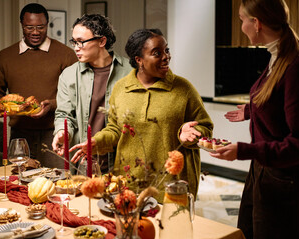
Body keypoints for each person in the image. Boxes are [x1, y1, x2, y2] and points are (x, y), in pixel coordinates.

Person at [210, 0, 299, 239]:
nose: (241, 27)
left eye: (242, 20)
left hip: (286, 186)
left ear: (256, 23)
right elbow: (279, 102)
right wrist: (252, 110)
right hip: (263, 175)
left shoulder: (297, 66)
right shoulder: (278, 57)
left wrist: (245, 150)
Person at [69, 28, 213, 201]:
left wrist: (189, 134)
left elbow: (205, 127)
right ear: (139, 60)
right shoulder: (121, 88)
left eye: (166, 50)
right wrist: (96, 142)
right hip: (128, 182)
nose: (166, 57)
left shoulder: (184, 89)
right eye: (157, 53)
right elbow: (115, 128)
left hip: (172, 184)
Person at [0, 3, 78, 168]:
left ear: (47, 25)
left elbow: (75, 93)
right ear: (22, 24)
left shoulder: (66, 55)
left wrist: (51, 105)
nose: (35, 32)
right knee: (19, 183)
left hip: (54, 133)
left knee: (56, 182)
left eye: (40, 27)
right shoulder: (5, 56)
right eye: (29, 27)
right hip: (19, 135)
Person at [52, 14, 133, 173]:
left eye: (81, 42)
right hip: (83, 164)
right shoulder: (68, 75)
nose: (76, 47)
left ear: (102, 41)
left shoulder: (130, 73)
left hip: (122, 162)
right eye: (74, 42)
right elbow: (64, 114)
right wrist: (63, 132)